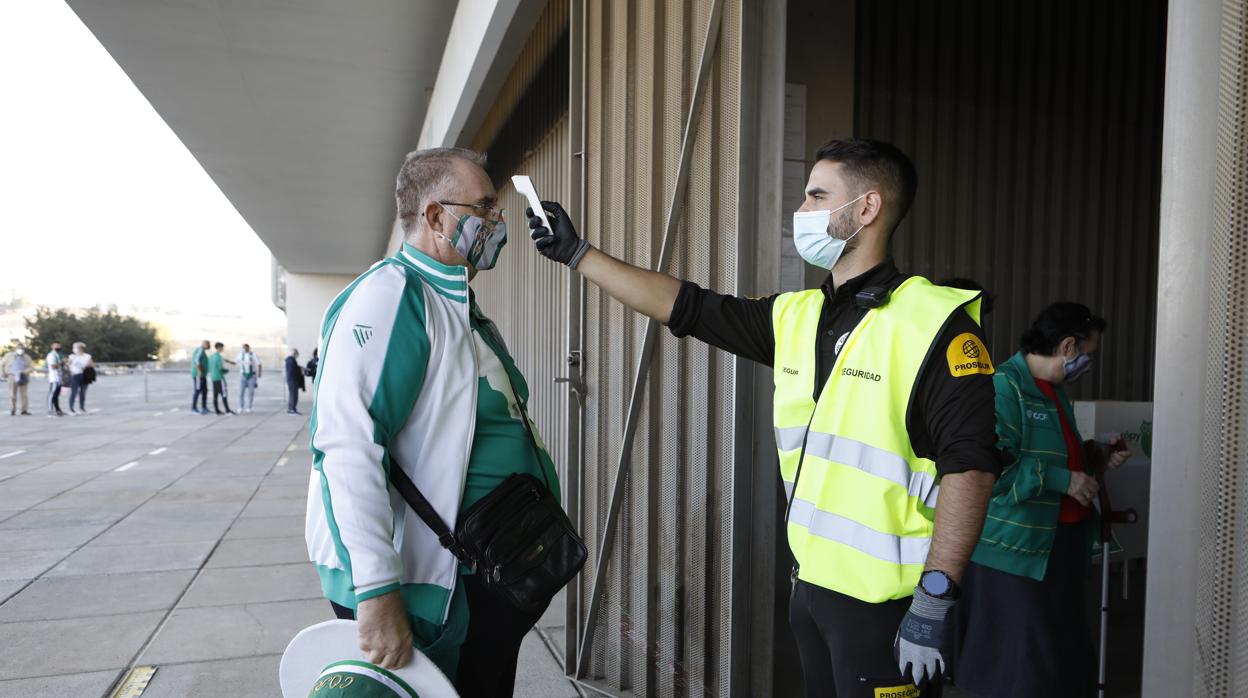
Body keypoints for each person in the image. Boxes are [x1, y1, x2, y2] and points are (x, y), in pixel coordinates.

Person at [528, 138, 1000, 696]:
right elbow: (688, 307)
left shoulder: (933, 324)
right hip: (811, 592)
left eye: (817, 196)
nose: (801, 212)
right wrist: (579, 254)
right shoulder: (799, 316)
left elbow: (971, 468)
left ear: (867, 209)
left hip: (890, 608)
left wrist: (936, 597)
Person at [304, 147, 561, 697]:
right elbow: (348, 445)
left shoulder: (453, 300)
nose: (497, 222)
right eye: (486, 208)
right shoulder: (393, 297)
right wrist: (376, 591)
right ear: (437, 217)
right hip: (429, 582)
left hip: (483, 567)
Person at [953, 303, 1129, 698]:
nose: (1087, 363)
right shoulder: (1005, 385)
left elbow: (1056, 455)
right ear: (1067, 346)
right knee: (1019, 669)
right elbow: (992, 468)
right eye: (1087, 353)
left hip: (1059, 546)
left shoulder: (1055, 391)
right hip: (1017, 553)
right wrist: (1062, 480)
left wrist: (1097, 454)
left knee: (1054, 663)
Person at [1, 345, 34, 415]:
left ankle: (24, 410)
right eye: (19, 349)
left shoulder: (27, 357)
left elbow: (31, 367)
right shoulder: (9, 356)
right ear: (16, 349)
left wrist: (24, 372)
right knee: (12, 394)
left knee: (24, 394)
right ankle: (13, 409)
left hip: (23, 376)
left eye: (22, 349)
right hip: (12, 376)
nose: (20, 350)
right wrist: (3, 373)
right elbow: (2, 364)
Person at [66, 342, 94, 415]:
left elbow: (91, 365)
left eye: (76, 347)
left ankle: (82, 408)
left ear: (81, 348)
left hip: (84, 375)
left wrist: (85, 365)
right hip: (75, 375)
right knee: (74, 392)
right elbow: (67, 364)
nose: (74, 349)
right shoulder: (72, 356)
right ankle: (71, 409)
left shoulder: (87, 356)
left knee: (82, 392)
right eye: (74, 348)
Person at [208, 342, 236, 415]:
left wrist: (229, 362)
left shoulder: (211, 357)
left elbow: (210, 367)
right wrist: (227, 371)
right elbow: (220, 369)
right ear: (219, 348)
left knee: (215, 395)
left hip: (213, 378)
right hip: (220, 378)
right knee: (224, 394)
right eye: (222, 347)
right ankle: (227, 410)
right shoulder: (218, 357)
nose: (223, 349)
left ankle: (217, 410)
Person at [237, 343, 262, 414]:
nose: (244, 349)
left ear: (248, 348)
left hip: (252, 376)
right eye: (243, 348)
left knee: (251, 392)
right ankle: (241, 407)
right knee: (241, 392)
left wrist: (259, 373)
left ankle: (249, 407)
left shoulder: (253, 354)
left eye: (245, 348)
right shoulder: (240, 355)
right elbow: (235, 361)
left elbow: (259, 364)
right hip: (243, 375)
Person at [45, 341, 65, 417]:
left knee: (56, 395)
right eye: (56, 345)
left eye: (59, 345)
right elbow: (53, 366)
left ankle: (57, 409)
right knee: (52, 393)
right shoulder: (51, 355)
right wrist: (61, 362)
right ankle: (50, 410)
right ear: (52, 346)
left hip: (59, 378)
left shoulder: (57, 355)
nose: (58, 347)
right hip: (54, 378)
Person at [191, 339, 210, 414]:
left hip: (203, 375)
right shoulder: (200, 350)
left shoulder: (202, 351)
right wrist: (199, 371)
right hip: (198, 375)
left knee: (204, 391)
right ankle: (194, 408)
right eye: (208, 344)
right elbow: (196, 360)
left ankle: (204, 407)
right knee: (197, 390)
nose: (209, 346)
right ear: (205, 344)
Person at [285, 349, 304, 415]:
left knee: (292, 395)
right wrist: (299, 370)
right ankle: (292, 409)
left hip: (291, 380)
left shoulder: (290, 360)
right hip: (293, 380)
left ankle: (292, 408)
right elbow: (292, 371)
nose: (297, 356)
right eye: (296, 354)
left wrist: (299, 368)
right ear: (294, 353)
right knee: (293, 395)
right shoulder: (291, 360)